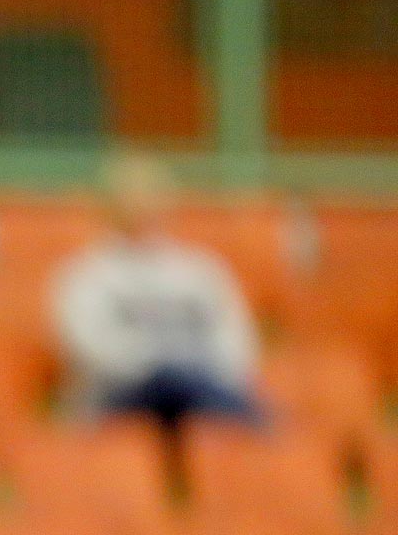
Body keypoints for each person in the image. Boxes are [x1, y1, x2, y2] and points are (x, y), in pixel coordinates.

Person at [51, 151, 266, 439]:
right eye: (132, 196)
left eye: (151, 195)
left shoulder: (200, 270)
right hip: (120, 399)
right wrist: (161, 364)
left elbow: (236, 345)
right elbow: (92, 350)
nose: (143, 206)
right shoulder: (86, 273)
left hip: (200, 391)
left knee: (209, 393)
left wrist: (191, 369)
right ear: (110, 204)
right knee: (171, 380)